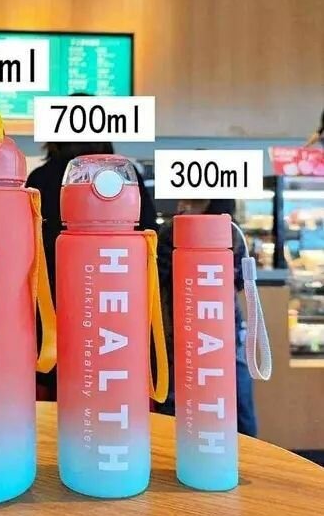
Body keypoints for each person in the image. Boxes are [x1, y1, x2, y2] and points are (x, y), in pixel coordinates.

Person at [26, 140, 157, 400]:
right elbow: (149, 231)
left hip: (54, 296)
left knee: (64, 377)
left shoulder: (41, 177)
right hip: (117, 291)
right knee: (115, 368)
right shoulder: (123, 176)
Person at [154, 198, 257, 437]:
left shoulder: (174, 229)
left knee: (180, 394)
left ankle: (180, 446)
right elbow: (241, 281)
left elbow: (158, 278)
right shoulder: (231, 230)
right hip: (224, 325)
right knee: (236, 397)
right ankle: (245, 450)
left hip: (182, 324)